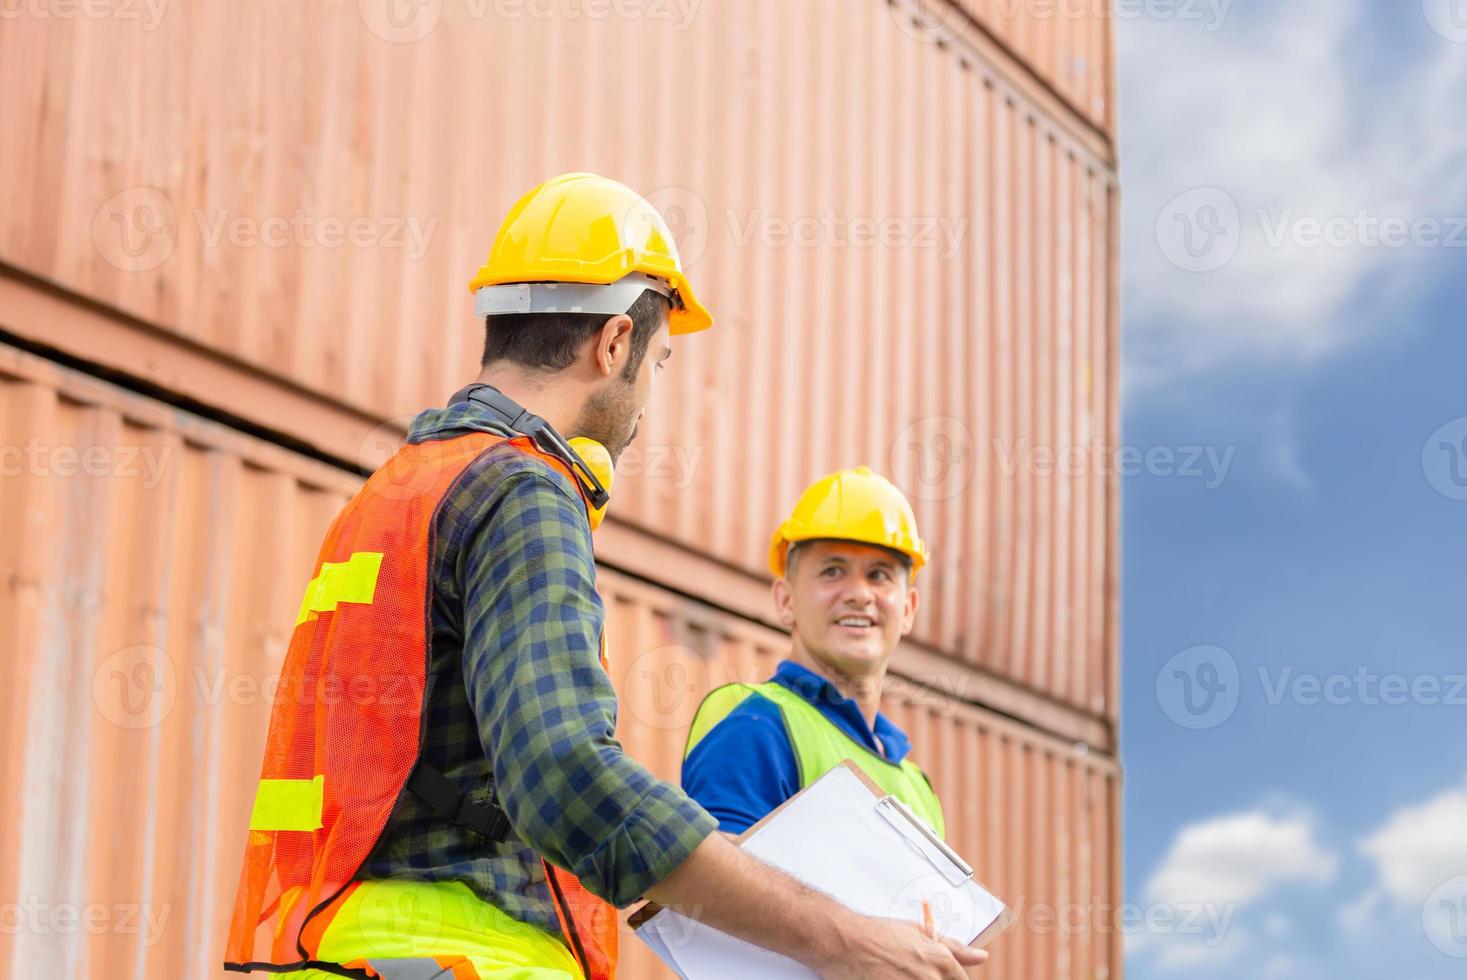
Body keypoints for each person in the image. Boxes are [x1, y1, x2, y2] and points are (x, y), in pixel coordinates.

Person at [222, 173, 985, 979]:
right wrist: (845, 938)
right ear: (613, 344)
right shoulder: (522, 489)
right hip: (464, 956)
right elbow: (564, 775)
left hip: (346, 948)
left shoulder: (401, 488)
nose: (647, 400)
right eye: (656, 362)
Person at [682, 467, 945, 838]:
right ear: (785, 600)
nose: (859, 593)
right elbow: (715, 890)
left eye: (879, 575)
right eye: (833, 571)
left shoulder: (919, 790)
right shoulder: (754, 720)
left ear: (908, 609)